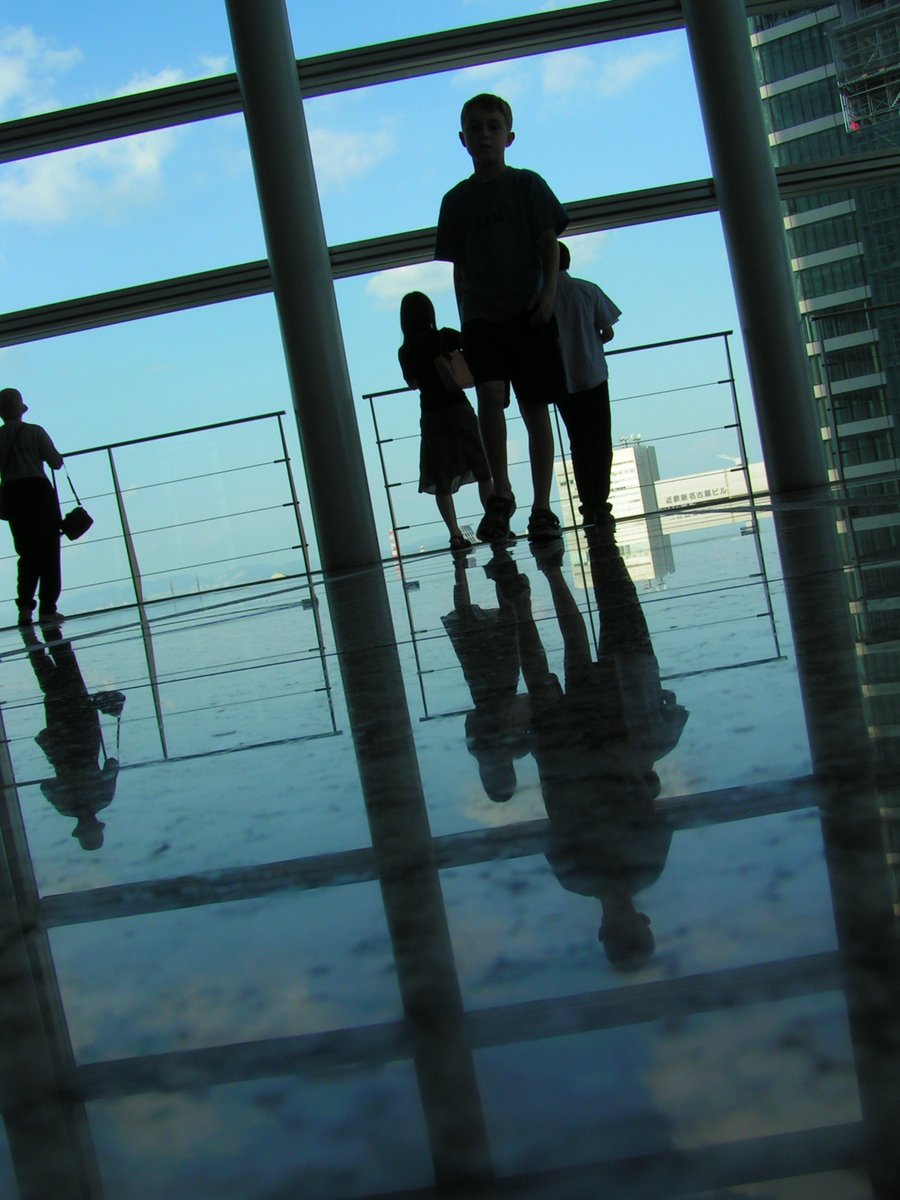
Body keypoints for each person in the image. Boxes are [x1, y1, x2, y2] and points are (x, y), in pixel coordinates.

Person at [435, 93, 569, 543]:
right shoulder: (455, 201)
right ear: (463, 139)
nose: (485, 134)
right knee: (490, 397)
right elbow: (459, 266)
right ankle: (503, 493)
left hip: (527, 311)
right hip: (483, 319)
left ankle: (543, 505)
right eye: (476, 127)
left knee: (534, 407)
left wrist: (547, 293)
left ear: (508, 136)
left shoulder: (527, 185)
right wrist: (464, 317)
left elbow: (548, 241)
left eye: (493, 126)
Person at [398, 291, 492, 552]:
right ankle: (494, 522)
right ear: (429, 313)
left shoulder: (405, 351)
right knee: (483, 466)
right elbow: (473, 345)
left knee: (440, 476)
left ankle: (454, 535)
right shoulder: (445, 336)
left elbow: (413, 383)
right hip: (458, 407)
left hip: (431, 413)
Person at [554, 241, 622, 530]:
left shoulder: (540, 298)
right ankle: (600, 502)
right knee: (600, 442)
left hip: (562, 381)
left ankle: (588, 504)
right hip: (593, 375)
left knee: (578, 444)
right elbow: (608, 331)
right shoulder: (588, 289)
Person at [0, 387, 65, 626]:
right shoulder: (35, 432)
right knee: (49, 552)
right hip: (39, 495)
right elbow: (55, 462)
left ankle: (25, 607)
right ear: (21, 409)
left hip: (13, 496)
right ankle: (48, 608)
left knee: (26, 553)